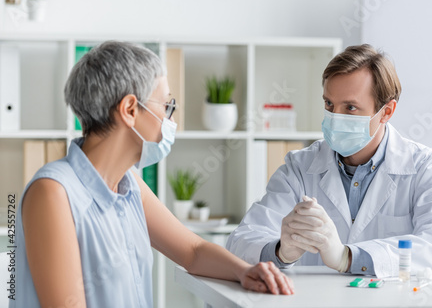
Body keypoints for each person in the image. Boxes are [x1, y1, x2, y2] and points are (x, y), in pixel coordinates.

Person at [11, 41, 294, 308]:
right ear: (130, 110)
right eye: (167, 106)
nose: (173, 121)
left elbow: (193, 251)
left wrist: (245, 271)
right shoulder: (53, 192)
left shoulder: (129, 183)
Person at [227, 44, 432, 278]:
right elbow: (240, 241)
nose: (335, 117)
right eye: (329, 104)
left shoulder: (427, 167)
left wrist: (348, 257)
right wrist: (281, 251)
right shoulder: (300, 168)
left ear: (386, 112)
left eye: (350, 107)